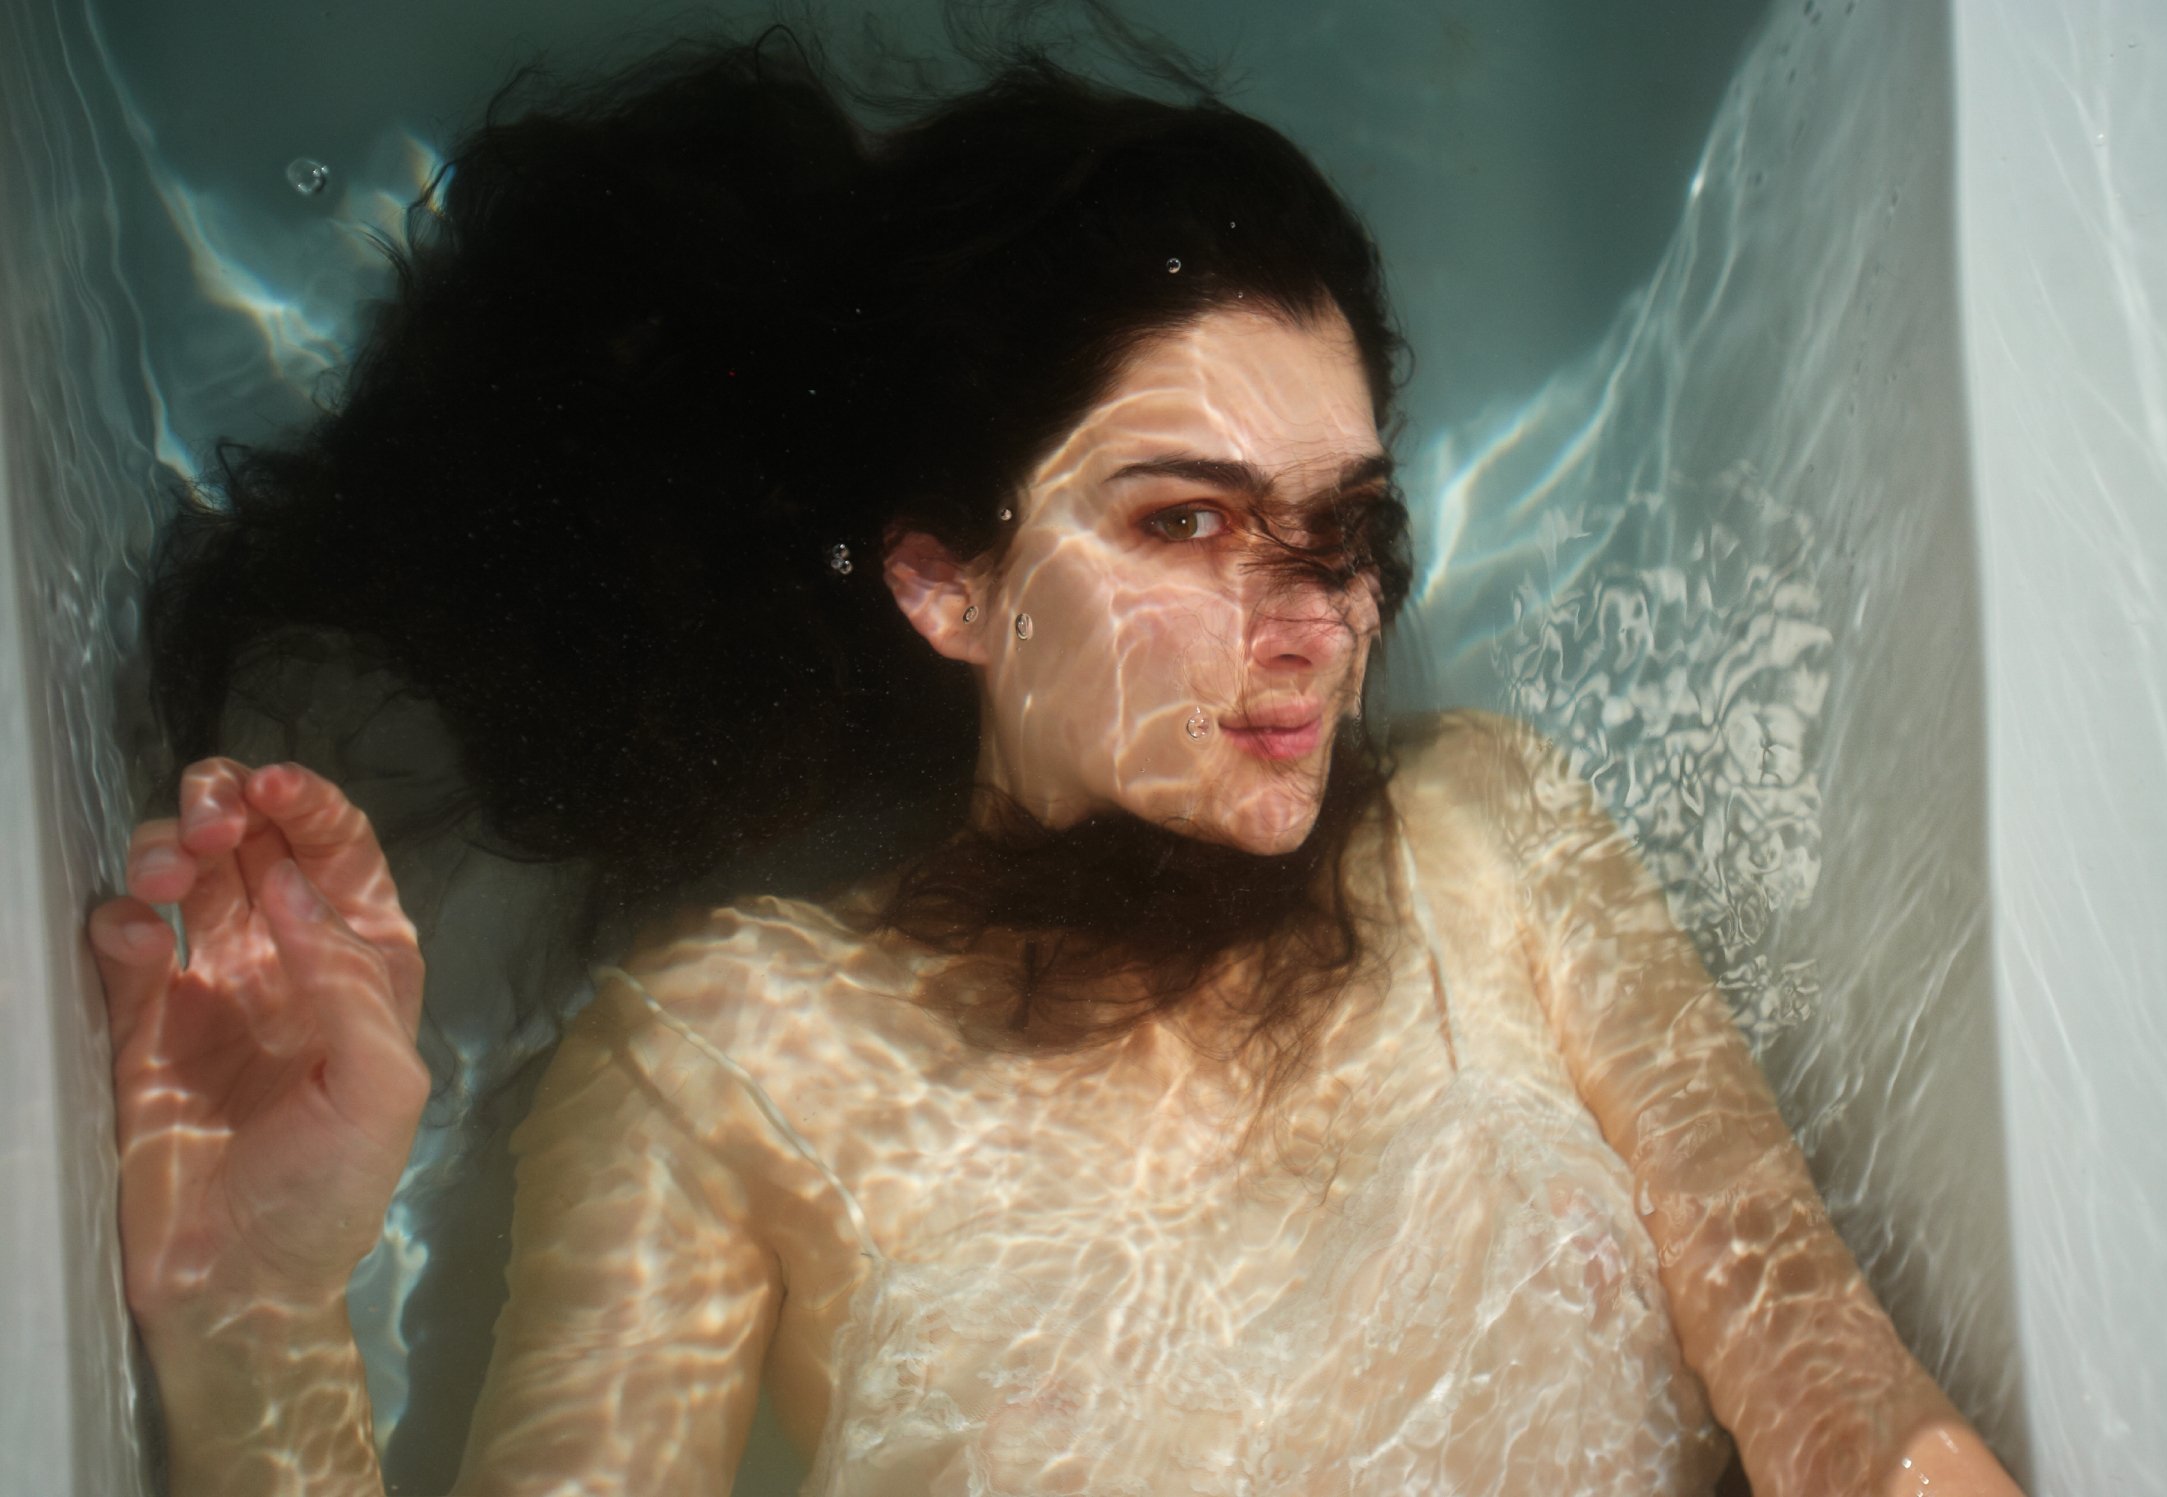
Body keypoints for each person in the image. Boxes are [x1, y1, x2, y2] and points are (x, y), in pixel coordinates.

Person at [87, 32, 2024, 1497]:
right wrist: (260, 1308)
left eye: (1345, 529)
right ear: (948, 580)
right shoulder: (734, 1050)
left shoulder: (1480, 825)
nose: (1312, 620)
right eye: (1187, 521)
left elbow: (1819, 1357)